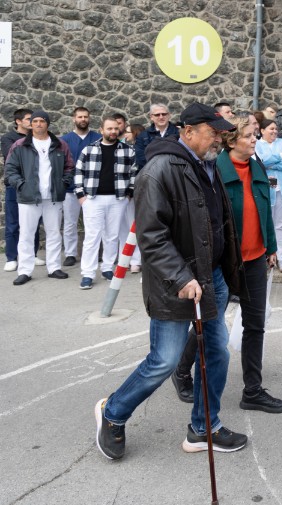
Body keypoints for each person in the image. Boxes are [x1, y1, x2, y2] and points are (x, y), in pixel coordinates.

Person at [94, 103, 247, 460]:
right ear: (189, 130)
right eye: (214, 132)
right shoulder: (158, 170)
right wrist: (182, 276)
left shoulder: (205, 165)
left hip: (212, 279)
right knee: (163, 361)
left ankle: (202, 429)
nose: (220, 139)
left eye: (222, 133)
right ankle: (113, 413)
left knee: (216, 354)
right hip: (178, 284)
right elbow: (151, 235)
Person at [172, 116, 282, 413]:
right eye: (249, 136)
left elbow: (265, 210)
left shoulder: (257, 166)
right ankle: (182, 371)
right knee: (209, 322)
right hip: (223, 262)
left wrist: (271, 247)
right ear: (231, 141)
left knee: (255, 325)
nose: (254, 140)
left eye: (256, 135)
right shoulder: (214, 171)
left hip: (255, 260)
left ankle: (253, 390)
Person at [6, 111, 74, 286]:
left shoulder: (60, 144)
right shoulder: (20, 145)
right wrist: (21, 185)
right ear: (30, 124)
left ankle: (54, 268)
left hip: (53, 197)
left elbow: (69, 167)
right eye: (34, 121)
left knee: (53, 233)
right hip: (28, 197)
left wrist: (63, 183)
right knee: (26, 234)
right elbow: (10, 170)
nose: (38, 124)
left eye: (41, 121)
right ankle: (25, 271)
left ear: (47, 124)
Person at [74, 116, 137, 289]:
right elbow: (79, 171)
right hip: (93, 199)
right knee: (92, 237)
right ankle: (87, 273)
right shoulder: (89, 149)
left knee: (112, 236)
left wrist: (129, 193)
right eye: (109, 128)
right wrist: (81, 196)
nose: (113, 131)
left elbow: (133, 173)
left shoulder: (127, 150)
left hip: (118, 199)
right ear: (102, 130)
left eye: (116, 128)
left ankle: (108, 268)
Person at [61, 107, 102, 267]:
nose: (83, 119)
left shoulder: (98, 138)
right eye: (80, 117)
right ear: (74, 119)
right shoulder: (64, 140)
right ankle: (70, 254)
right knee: (70, 223)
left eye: (85, 116)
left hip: (93, 188)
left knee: (94, 223)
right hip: (71, 189)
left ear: (89, 118)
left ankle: (96, 252)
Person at [256, 118, 282, 272]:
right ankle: (266, 257)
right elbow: (261, 162)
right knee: (266, 224)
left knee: (281, 224)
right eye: (270, 129)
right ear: (262, 131)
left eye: (275, 129)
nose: (274, 131)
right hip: (266, 188)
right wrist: (280, 157)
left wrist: (273, 163)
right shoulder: (258, 145)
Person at [3, 108, 38, 273]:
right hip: (14, 186)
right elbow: (14, 158)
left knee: (34, 222)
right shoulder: (8, 138)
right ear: (18, 121)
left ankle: (33, 253)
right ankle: (11, 257)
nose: (32, 122)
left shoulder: (38, 137)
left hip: (34, 185)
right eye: (29, 119)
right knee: (13, 223)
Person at [119, 124, 145, 273]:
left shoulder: (136, 151)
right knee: (123, 228)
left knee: (132, 227)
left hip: (133, 192)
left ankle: (136, 260)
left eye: (127, 133)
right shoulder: (124, 149)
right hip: (121, 193)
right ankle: (125, 259)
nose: (124, 135)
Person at [133, 103, 179, 169]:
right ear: (151, 117)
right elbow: (140, 158)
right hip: (150, 173)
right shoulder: (143, 136)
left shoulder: (179, 133)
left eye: (164, 114)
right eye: (157, 115)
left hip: (174, 172)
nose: (161, 117)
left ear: (169, 115)